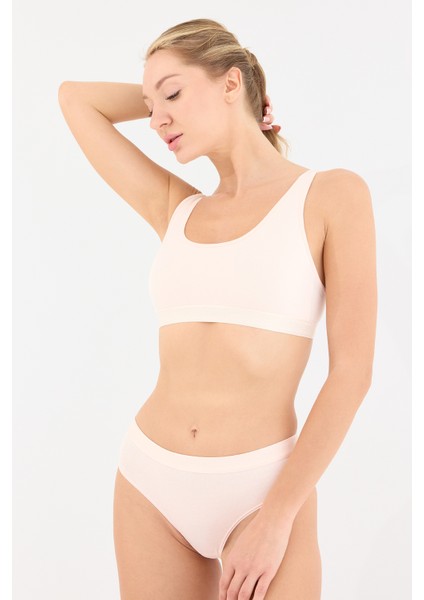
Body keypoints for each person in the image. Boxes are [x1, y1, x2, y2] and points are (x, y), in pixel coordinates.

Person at [58, 17, 377, 600]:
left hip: (263, 489)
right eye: (150, 106)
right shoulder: (176, 207)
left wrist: (278, 517)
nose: (156, 120)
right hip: (150, 482)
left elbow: (352, 373)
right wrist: (164, 94)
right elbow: (74, 98)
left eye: (173, 94)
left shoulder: (331, 195)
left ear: (231, 82)